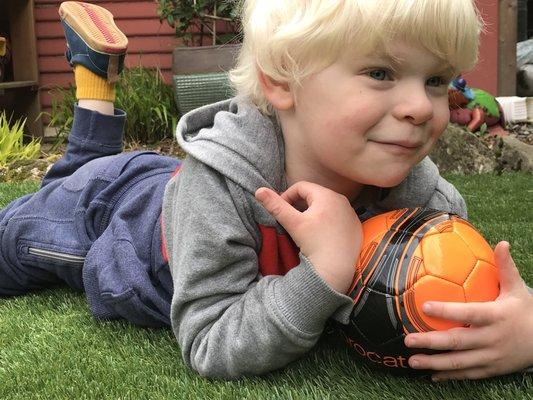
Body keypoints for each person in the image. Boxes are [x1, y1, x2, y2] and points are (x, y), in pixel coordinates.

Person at [0, 0, 531, 381]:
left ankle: (95, 87)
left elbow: (476, 280)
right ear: (282, 80)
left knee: (91, 169)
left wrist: (522, 326)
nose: (420, 106)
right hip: (115, 220)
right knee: (34, 224)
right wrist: (321, 276)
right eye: (380, 72)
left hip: (166, 183)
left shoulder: (416, 189)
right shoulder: (221, 191)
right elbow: (209, 342)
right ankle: (93, 96)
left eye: (436, 80)